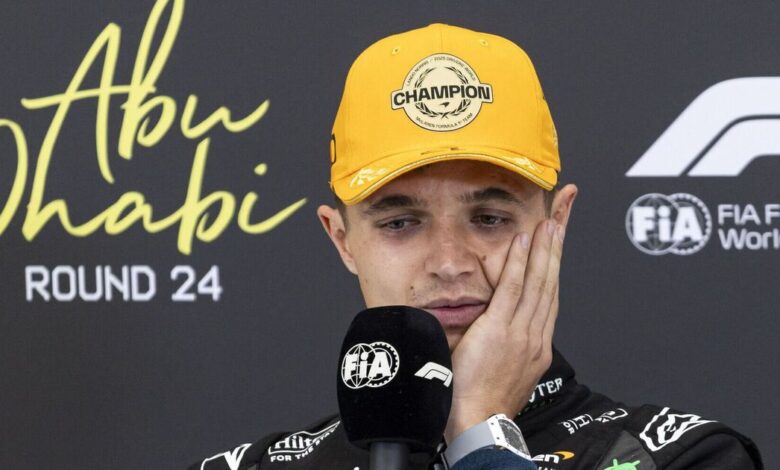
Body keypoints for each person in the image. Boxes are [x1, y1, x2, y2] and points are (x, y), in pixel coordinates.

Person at [189, 23, 763, 470]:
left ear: (556, 222)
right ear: (341, 240)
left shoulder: (686, 457)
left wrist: (482, 431)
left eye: (489, 218)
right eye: (400, 223)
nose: (449, 262)